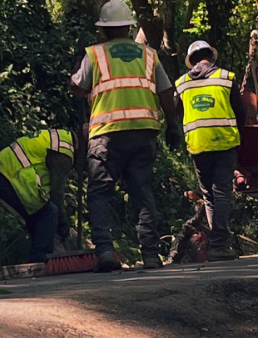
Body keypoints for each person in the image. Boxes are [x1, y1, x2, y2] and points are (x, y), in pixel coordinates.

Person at [70, 0, 178, 271]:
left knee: (100, 192)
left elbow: (77, 89)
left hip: (107, 134)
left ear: (104, 30)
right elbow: (166, 92)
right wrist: (173, 125)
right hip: (143, 133)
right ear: (130, 27)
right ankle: (151, 254)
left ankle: (105, 251)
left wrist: (76, 76)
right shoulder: (148, 55)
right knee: (142, 191)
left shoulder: (95, 55)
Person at [170, 40, 247, 261]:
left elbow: (175, 113)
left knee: (209, 195)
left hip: (198, 144)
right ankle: (219, 245)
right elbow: (240, 111)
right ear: (211, 57)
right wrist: (237, 135)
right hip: (224, 141)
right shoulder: (225, 77)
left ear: (191, 61)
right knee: (222, 191)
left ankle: (217, 244)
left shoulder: (182, 83)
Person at [0, 129, 77, 263]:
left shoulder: (59, 137)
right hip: (11, 174)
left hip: (3, 170)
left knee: (39, 215)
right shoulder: (64, 150)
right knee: (49, 212)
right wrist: (63, 222)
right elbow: (56, 194)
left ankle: (38, 255)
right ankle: (40, 260)